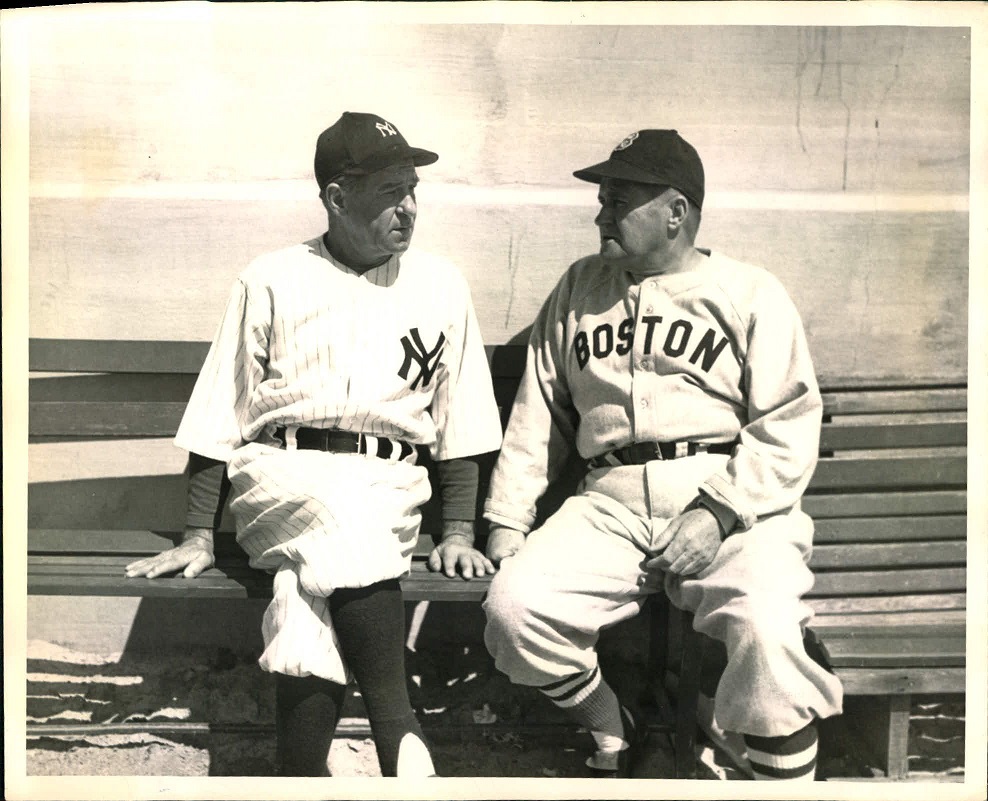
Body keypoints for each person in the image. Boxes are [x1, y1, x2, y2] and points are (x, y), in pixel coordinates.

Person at [125, 111, 503, 778]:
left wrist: (461, 529)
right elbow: (222, 406)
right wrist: (198, 532)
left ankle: (298, 776)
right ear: (336, 197)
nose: (409, 208)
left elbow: (463, 418)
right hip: (281, 474)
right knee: (335, 509)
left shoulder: (441, 285)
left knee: (302, 592)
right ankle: (397, 727)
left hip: (390, 485)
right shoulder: (271, 277)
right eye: (389, 192)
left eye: (413, 189)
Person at [481, 129, 844, 780]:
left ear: (676, 211)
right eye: (602, 197)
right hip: (609, 501)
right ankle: (609, 725)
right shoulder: (580, 288)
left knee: (769, 633)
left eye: (618, 197)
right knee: (513, 610)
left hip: (726, 495)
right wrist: (507, 522)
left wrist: (719, 512)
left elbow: (790, 421)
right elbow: (539, 415)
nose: (600, 213)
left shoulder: (749, 292)